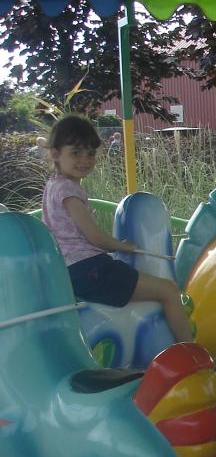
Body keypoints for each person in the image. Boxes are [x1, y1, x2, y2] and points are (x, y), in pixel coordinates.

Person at [42, 115, 193, 343]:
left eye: (91, 153)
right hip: (90, 269)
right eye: (76, 152)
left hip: (68, 270)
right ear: (55, 154)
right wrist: (122, 246)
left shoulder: (53, 186)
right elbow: (94, 237)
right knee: (169, 291)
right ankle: (190, 350)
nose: (85, 160)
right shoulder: (69, 191)